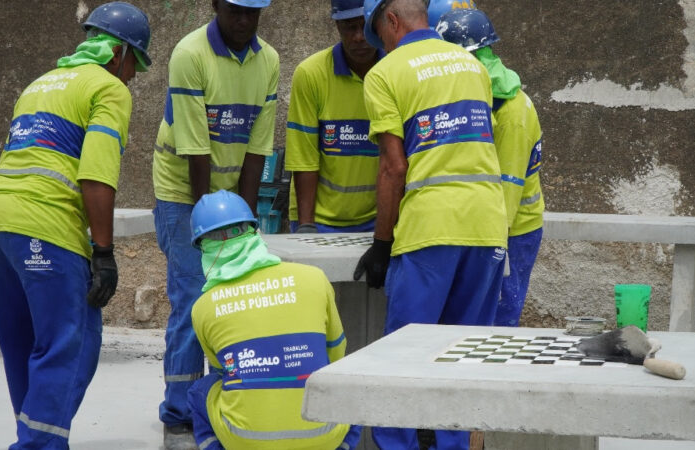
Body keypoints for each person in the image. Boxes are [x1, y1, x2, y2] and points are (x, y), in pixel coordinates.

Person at [0, 2, 151, 448]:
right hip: (45, 228)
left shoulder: (38, 84)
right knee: (72, 347)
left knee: (23, 350)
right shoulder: (108, 88)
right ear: (119, 54)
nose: (132, 78)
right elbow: (96, 173)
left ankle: (34, 438)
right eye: (135, 67)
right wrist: (104, 253)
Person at [355, 0, 508, 448]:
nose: (379, 44)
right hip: (486, 225)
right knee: (464, 357)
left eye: (377, 33)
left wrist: (382, 244)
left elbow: (393, 167)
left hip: (430, 229)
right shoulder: (472, 65)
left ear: (391, 21)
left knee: (402, 356)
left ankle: (398, 445)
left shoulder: (386, 73)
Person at [151, 0, 279, 447]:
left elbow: (257, 147)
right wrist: (211, 227)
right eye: (235, 10)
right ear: (215, 6)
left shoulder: (269, 61)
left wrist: (242, 226)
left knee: (234, 293)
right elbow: (194, 147)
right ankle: (180, 412)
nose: (244, 20)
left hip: (229, 198)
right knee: (192, 300)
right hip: (184, 194)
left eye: (253, 12)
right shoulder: (190, 55)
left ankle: (223, 403)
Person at [185, 190, 362, 449]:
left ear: (203, 247)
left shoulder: (203, 307)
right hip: (324, 433)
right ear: (254, 231)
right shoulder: (313, 278)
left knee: (201, 390)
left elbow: (224, 371)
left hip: (245, 440)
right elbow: (336, 353)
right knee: (353, 383)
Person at [437, 8, 545, 327]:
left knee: (498, 319)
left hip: (511, 231)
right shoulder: (483, 97)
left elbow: (507, 193)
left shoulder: (512, 114)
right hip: (485, 226)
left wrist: (492, 247)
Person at [285, 0, 383, 233]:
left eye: (366, 27)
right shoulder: (311, 74)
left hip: (377, 219)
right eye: (350, 27)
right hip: (320, 219)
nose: (359, 37)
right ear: (337, 26)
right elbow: (303, 156)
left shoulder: (395, 70)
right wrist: (306, 226)